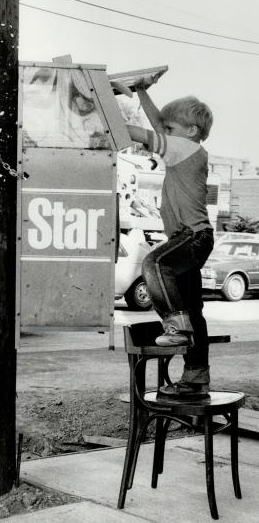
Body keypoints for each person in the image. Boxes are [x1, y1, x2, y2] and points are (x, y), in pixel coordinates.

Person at [126, 75, 214, 398]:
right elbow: (161, 126)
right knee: (193, 311)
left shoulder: (185, 150)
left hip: (191, 237)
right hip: (194, 238)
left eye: (171, 131)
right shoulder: (186, 150)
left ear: (190, 131)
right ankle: (196, 377)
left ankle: (174, 326)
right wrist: (141, 92)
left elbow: (144, 133)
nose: (166, 135)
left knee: (153, 265)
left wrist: (108, 120)